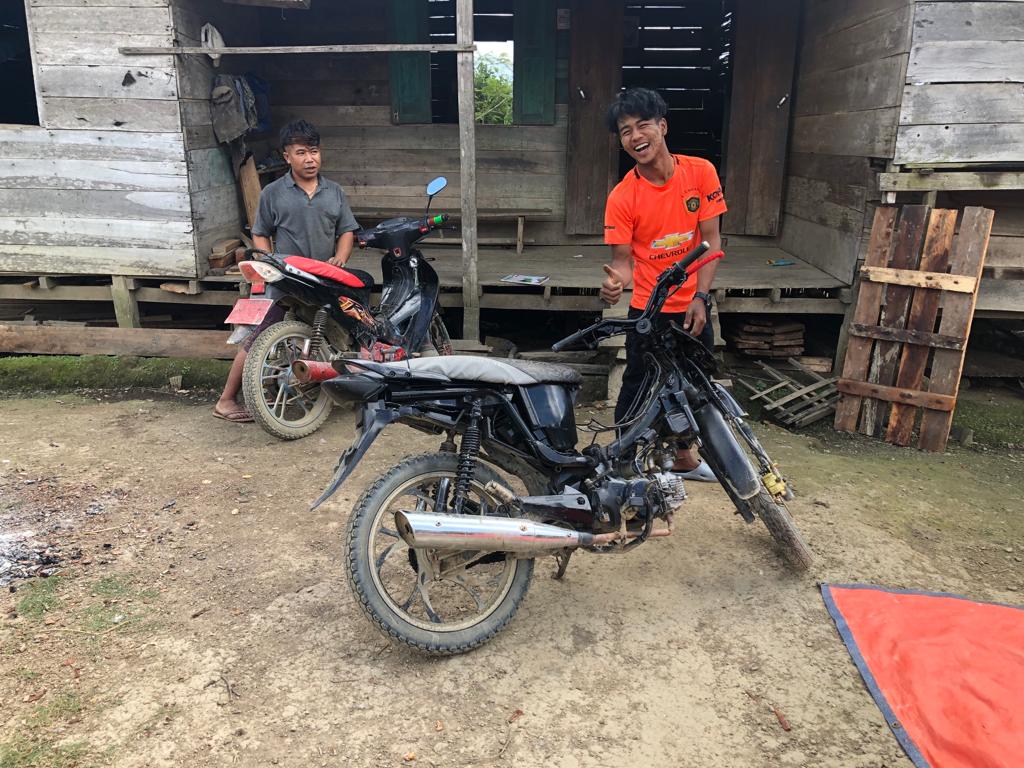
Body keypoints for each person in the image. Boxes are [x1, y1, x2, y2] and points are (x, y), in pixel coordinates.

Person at [600, 88, 726, 478]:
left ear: (662, 126)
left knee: (698, 382)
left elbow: (711, 242)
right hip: (648, 310)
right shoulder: (623, 196)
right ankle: (623, 460)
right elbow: (622, 264)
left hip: (694, 305)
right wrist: (614, 286)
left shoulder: (700, 172)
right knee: (638, 384)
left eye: (643, 125)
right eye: (625, 131)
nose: (635, 136)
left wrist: (701, 297)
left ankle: (686, 458)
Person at [213, 119, 361, 422]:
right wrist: (269, 262)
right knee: (257, 335)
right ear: (287, 156)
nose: (310, 159)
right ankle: (226, 400)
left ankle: (339, 389)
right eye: (302, 152)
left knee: (345, 327)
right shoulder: (273, 193)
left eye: (315, 152)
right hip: (285, 277)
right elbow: (260, 232)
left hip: (323, 277)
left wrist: (340, 257)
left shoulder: (334, 192)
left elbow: (347, 230)